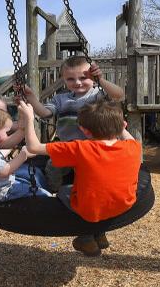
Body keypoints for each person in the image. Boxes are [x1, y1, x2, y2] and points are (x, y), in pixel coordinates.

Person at [19, 98, 142, 257]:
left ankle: (86, 237)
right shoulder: (133, 146)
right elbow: (126, 135)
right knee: (102, 195)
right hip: (124, 204)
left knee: (63, 191)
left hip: (90, 208)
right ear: (123, 126)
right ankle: (100, 233)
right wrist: (120, 125)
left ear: (85, 131)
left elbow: (33, 147)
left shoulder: (80, 148)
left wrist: (29, 118)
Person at [29, 57, 125, 192]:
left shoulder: (98, 95)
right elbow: (45, 113)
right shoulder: (60, 99)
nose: (77, 83)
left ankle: (96, 189)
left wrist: (101, 80)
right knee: (52, 166)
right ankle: (54, 192)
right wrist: (31, 98)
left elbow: (118, 95)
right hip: (69, 147)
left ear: (93, 76)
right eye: (70, 79)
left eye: (83, 77)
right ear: (63, 79)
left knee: (93, 171)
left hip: (94, 147)